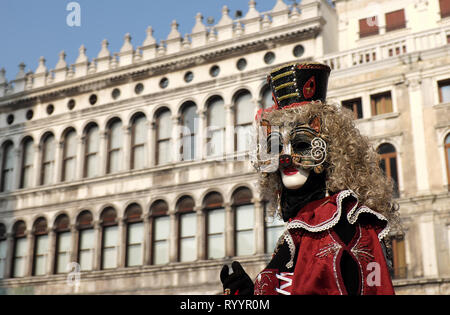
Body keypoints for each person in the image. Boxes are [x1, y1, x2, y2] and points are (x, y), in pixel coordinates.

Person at [220, 62, 399, 295]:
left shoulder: (346, 222)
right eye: (275, 147)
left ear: (333, 149)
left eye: (301, 145)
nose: (285, 158)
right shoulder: (302, 226)